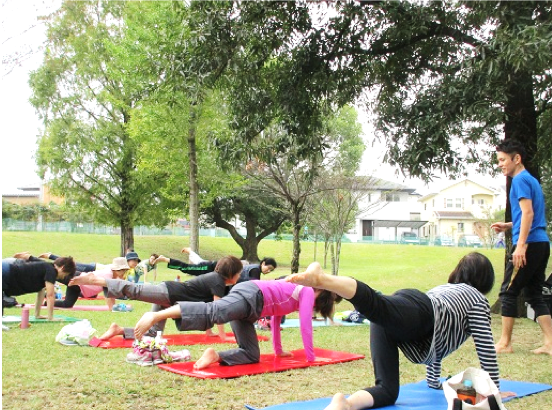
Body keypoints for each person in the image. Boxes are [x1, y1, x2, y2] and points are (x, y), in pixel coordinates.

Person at [285, 254, 516, 410]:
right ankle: (323, 280)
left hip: (413, 320)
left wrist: (433, 380)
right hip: (420, 310)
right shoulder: (477, 299)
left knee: (387, 390)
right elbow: (485, 345)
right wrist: (493, 390)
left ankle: (346, 404)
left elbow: (439, 337)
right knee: (379, 305)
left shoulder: (447, 290)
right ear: (485, 280)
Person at [131, 267, 340, 370]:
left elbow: (276, 319)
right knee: (215, 312)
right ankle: (157, 314)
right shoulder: (305, 292)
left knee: (251, 354)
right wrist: (311, 358)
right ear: (319, 292)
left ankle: (216, 356)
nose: (313, 307)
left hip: (251, 311)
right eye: (318, 304)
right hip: (252, 294)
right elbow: (305, 327)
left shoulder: (296, 294)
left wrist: (278, 350)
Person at [70, 256, 245, 342]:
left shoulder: (215, 280)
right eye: (238, 274)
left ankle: (119, 329)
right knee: (136, 290)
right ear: (231, 273)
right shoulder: (217, 281)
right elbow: (217, 309)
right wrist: (222, 336)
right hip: (169, 292)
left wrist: (210, 332)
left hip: (170, 300)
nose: (239, 277)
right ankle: (97, 280)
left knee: (153, 334)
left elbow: (207, 308)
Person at [491, 139, 552, 356]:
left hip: (530, 244)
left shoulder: (519, 181)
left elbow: (528, 213)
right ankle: (550, 343)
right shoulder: (531, 180)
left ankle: (505, 343)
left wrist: (521, 246)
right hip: (542, 243)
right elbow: (528, 215)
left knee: (508, 292)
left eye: (503, 160)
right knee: (534, 294)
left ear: (516, 159)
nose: (500, 164)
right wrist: (508, 226)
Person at [2, 254, 76, 320]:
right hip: (6, 272)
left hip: (7, 271)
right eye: (65, 274)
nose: (63, 278)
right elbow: (50, 295)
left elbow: (41, 292)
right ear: (62, 268)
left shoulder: (46, 268)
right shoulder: (51, 271)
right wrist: (51, 317)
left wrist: (37, 315)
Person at [54, 257, 130, 310]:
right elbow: (108, 294)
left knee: (67, 304)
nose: (124, 273)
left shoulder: (112, 276)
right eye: (123, 270)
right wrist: (112, 307)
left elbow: (111, 292)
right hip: (77, 278)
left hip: (79, 287)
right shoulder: (108, 275)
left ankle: (45, 302)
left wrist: (114, 306)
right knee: (53, 275)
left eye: (125, 271)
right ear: (116, 269)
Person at [157, 248, 277, 281]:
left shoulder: (253, 268)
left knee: (196, 264)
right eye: (268, 268)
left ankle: (189, 252)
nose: (268, 271)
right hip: (212, 267)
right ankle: (167, 260)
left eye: (271, 271)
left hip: (215, 271)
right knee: (190, 268)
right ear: (263, 263)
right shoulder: (254, 269)